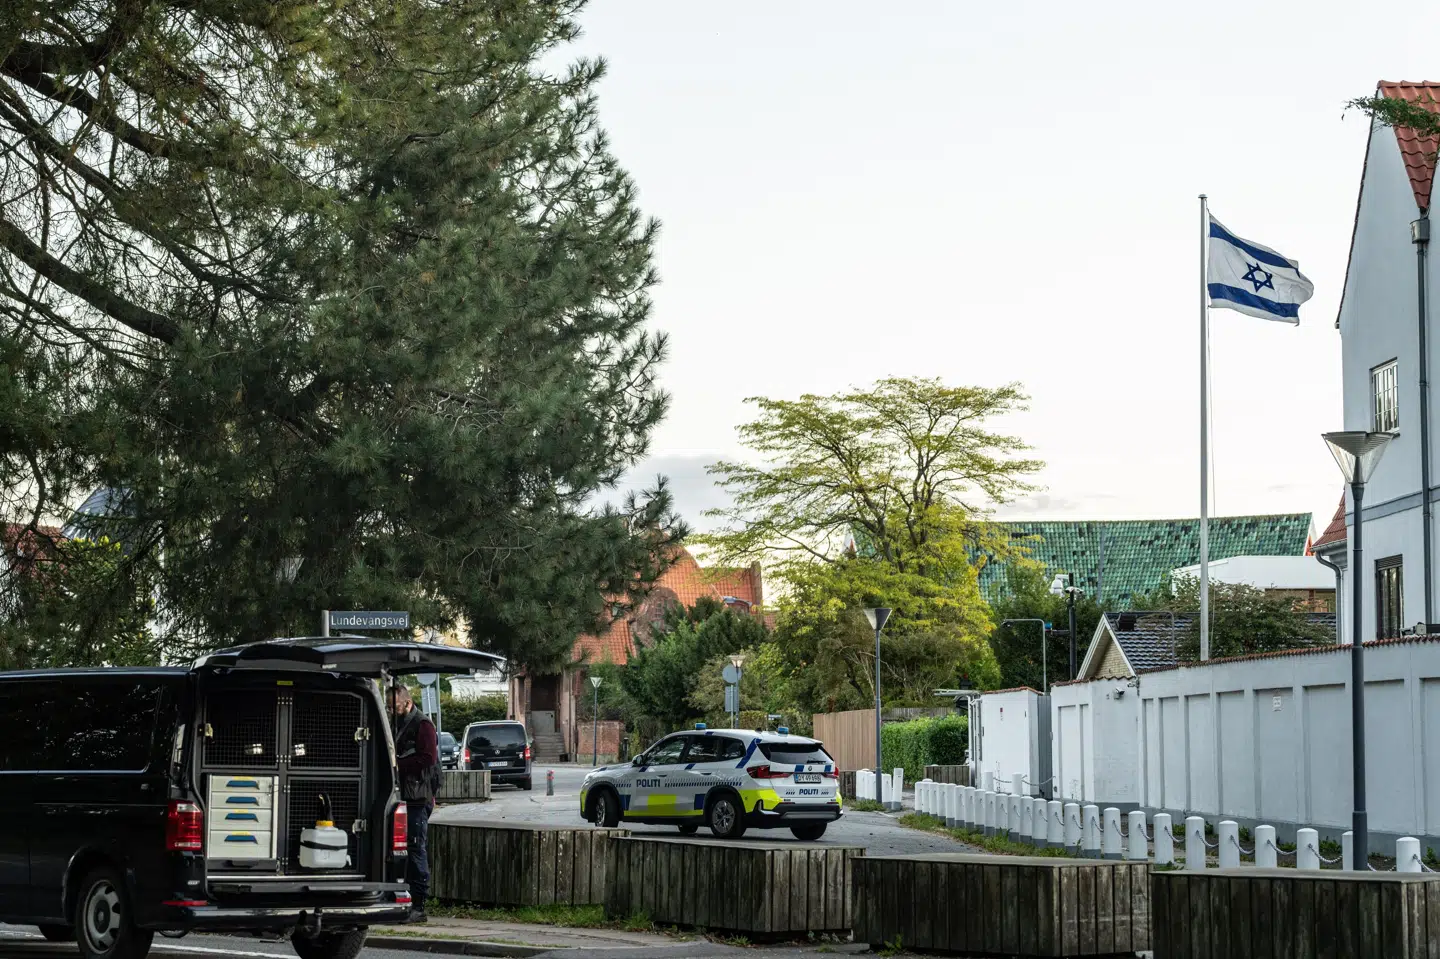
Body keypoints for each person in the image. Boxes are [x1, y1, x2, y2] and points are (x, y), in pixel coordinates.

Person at [391, 684, 438, 922]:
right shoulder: (400, 722)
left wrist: (399, 765)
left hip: (417, 797)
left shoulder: (423, 725)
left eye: (395, 706)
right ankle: (406, 901)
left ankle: (419, 906)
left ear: (407, 703)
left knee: (416, 848)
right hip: (405, 794)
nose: (392, 710)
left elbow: (429, 759)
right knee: (406, 850)